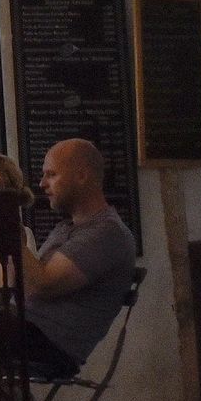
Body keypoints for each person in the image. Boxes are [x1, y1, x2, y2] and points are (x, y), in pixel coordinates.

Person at [20, 137, 136, 379]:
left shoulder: (107, 233)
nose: (42, 184)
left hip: (49, 347)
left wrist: (5, 225)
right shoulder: (65, 228)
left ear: (82, 176)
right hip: (27, 332)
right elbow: (23, 284)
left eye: (51, 174)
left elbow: (42, 285)